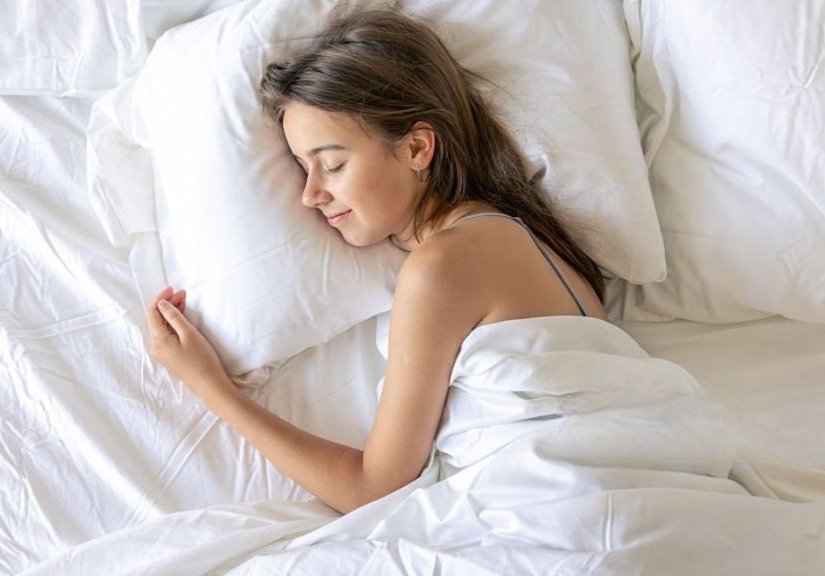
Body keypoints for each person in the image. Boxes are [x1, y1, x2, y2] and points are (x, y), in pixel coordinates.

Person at [144, 9, 609, 515]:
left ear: (416, 147)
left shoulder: (443, 268)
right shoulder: (540, 244)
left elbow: (374, 489)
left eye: (333, 164)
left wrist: (209, 385)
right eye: (302, 168)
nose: (310, 195)